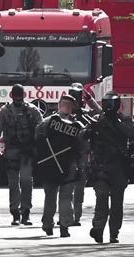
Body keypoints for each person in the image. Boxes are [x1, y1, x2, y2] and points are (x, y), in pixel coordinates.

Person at [87, 91, 134, 244]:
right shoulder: (98, 120)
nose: (109, 107)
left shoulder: (123, 120)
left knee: (116, 203)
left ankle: (114, 232)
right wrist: (91, 129)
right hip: (101, 166)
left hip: (119, 167)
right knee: (101, 199)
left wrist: (115, 123)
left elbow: (132, 133)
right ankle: (98, 229)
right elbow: (82, 136)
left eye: (111, 104)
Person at [0, 84, 42, 226]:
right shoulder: (5, 112)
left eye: (20, 96)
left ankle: (25, 212)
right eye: (16, 96)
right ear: (12, 96)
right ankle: (15, 212)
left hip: (27, 152)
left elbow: (42, 130)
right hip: (12, 151)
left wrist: (42, 150)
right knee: (13, 183)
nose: (18, 99)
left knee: (26, 180)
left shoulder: (32, 111)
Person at [36, 95, 80, 238]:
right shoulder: (78, 126)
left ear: (59, 106)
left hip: (49, 165)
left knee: (50, 196)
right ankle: (64, 226)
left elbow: (37, 139)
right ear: (72, 108)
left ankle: (48, 224)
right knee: (66, 197)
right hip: (68, 166)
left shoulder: (47, 122)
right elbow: (83, 146)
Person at [67, 83, 102, 226]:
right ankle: (67, 214)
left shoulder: (86, 116)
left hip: (81, 155)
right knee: (67, 188)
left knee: (77, 187)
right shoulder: (62, 116)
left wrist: (89, 100)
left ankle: (75, 216)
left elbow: (100, 112)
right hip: (67, 157)